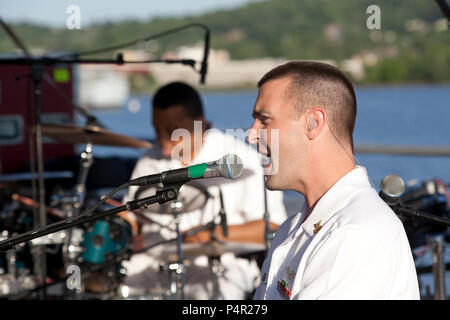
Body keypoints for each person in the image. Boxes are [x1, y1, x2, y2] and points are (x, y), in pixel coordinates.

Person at [249, 61, 420, 299]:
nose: (250, 134)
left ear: (313, 124)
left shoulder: (354, 233)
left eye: (264, 120)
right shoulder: (294, 227)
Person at [121, 82, 287, 299]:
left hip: (222, 265)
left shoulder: (239, 159)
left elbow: (273, 228)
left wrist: (207, 236)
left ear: (197, 123)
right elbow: (133, 217)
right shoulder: (149, 160)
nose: (161, 140)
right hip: (154, 262)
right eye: (157, 129)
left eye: (171, 130)